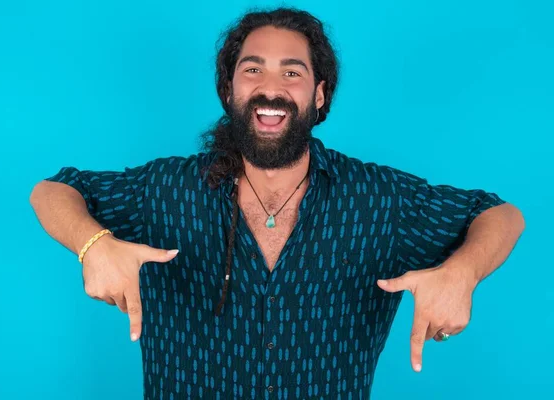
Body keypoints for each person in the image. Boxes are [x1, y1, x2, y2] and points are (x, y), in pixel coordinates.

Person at [29, 7, 525, 400]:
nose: (271, 88)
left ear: (319, 95)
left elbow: (501, 216)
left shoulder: (380, 200)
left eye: (293, 72)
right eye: (253, 69)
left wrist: (462, 274)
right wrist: (92, 244)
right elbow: (53, 190)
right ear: (229, 90)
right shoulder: (166, 189)